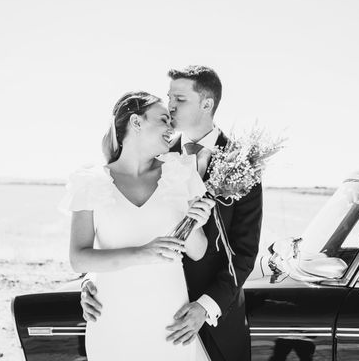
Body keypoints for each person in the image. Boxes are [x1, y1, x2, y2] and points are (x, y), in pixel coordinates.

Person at [81, 67, 264, 361]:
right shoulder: (154, 156)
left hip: (215, 317)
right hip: (144, 312)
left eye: (180, 98)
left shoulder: (242, 164)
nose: (171, 106)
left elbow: (243, 252)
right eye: (169, 98)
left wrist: (206, 306)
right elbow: (119, 222)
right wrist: (93, 279)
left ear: (207, 104)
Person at [63, 91, 215, 361]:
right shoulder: (90, 181)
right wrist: (143, 253)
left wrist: (194, 220)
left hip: (170, 319)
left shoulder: (178, 173)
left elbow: (198, 251)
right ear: (136, 122)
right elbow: (79, 259)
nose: (171, 128)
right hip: (112, 318)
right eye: (164, 119)